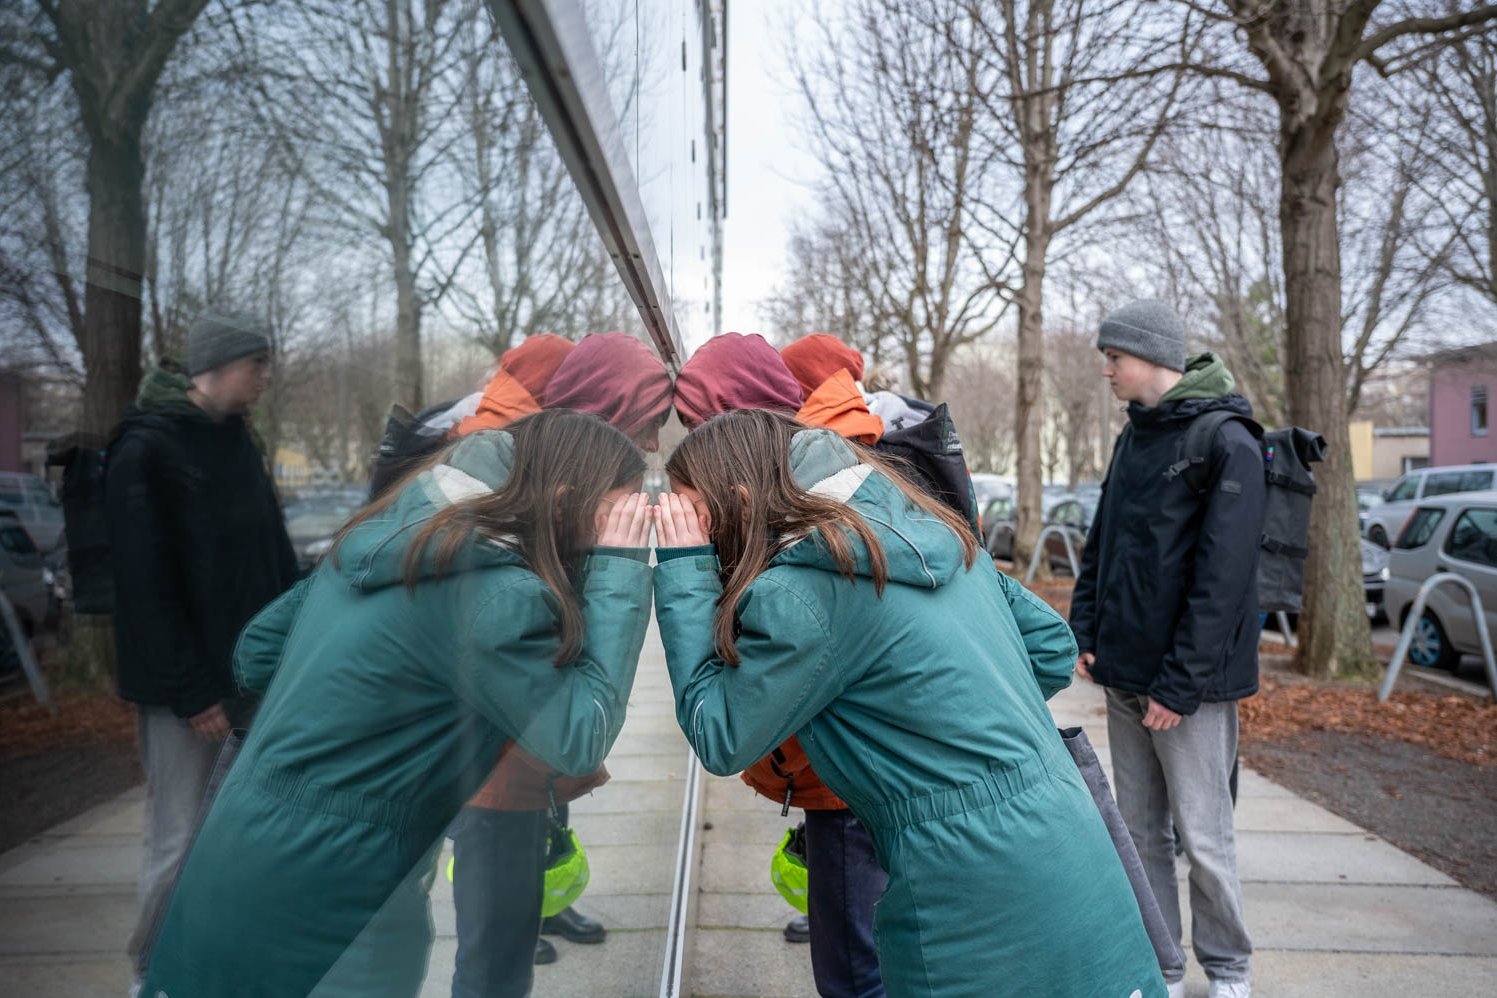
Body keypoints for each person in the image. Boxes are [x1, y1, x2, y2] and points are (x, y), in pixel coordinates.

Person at [651, 408, 1166, 998]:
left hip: (966, 874)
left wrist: (684, 568)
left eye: (691, 512)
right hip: (1068, 834)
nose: (685, 527)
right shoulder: (930, 528)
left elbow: (720, 734)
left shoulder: (803, 594)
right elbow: (1050, 649)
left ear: (740, 502)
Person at [141, 410, 656, 997]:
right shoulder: (497, 595)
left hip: (244, 842)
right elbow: (577, 737)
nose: (633, 521)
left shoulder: (396, 535)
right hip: (345, 884)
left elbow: (257, 653)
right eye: (624, 507)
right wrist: (619, 570)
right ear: (564, 500)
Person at [446, 331, 669, 993]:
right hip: (493, 756)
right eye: (648, 425)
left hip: (518, 746)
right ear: (607, 414)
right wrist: (622, 564)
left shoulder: (548, 481)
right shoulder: (511, 489)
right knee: (492, 950)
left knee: (505, 941)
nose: (654, 445)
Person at [1068, 300, 1263, 998]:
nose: (1106, 369)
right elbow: (1105, 544)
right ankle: (1159, 969)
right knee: (1140, 834)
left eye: (1113, 357)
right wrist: (1086, 634)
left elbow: (1223, 582)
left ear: (1150, 357)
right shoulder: (1134, 437)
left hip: (1189, 691)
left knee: (1203, 841)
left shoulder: (1227, 439)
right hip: (1124, 675)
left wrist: (1178, 686)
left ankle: (1229, 970)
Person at [105, 310, 300, 982]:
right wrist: (192, 691)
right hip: (187, 693)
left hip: (249, 682)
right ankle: (150, 971)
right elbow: (144, 589)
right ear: (214, 367)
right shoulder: (146, 449)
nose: (264, 378)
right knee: (180, 836)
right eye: (256, 365)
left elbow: (270, 555)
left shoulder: (236, 440)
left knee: (237, 833)